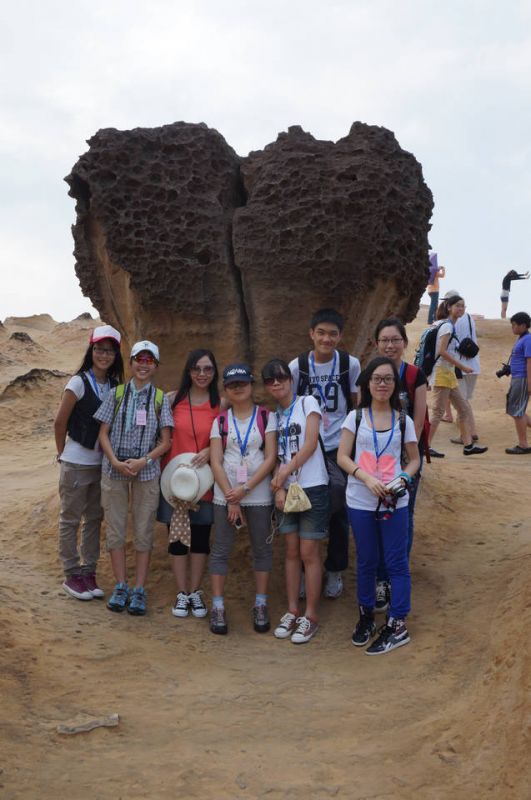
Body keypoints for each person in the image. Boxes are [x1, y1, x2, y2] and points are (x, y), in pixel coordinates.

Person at [337, 357, 420, 655]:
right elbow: (342, 456)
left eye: (388, 379)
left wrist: (402, 478)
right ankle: (366, 617)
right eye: (377, 379)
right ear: (368, 383)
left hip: (394, 501)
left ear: (395, 385)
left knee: (396, 562)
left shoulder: (403, 421)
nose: (382, 384)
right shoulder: (355, 417)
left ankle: (397, 624)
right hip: (361, 498)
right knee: (367, 560)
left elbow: (414, 460)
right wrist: (365, 477)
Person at [94, 340, 173, 616]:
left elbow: (166, 441)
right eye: (139, 359)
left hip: (146, 472)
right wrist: (114, 461)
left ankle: (139, 589)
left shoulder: (160, 399)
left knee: (143, 530)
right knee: (115, 528)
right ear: (130, 363)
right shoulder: (116, 394)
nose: (143, 365)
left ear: (156, 366)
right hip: (114, 470)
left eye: (149, 361)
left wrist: (144, 461)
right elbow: (103, 433)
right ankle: (120, 585)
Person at [289, 308, 360, 599]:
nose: (326, 339)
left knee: (339, 510)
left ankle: (334, 570)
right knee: (303, 506)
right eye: (321, 333)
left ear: (340, 336)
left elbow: (355, 403)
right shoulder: (297, 368)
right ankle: (304, 571)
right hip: (308, 448)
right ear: (311, 334)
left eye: (332, 334)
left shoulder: (349, 364)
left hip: (337, 447)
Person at [263, 358, 330, 645]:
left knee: (308, 552)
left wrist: (284, 474)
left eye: (281, 377)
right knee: (291, 551)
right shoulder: (274, 416)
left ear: (291, 379)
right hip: (286, 489)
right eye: (270, 380)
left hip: (312, 485)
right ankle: (292, 610)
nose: (276, 383)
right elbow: (276, 456)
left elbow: (310, 444)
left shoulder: (307, 403)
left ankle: (310, 615)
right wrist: (278, 487)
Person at [54, 325, 124, 601]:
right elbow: (60, 422)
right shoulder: (78, 382)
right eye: (99, 349)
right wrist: (62, 454)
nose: (104, 355)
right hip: (76, 462)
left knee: (94, 519)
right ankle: (72, 573)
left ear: (116, 355)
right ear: (91, 350)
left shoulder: (115, 386)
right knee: (70, 519)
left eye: (109, 351)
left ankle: (88, 572)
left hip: (101, 465)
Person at [208, 364, 277, 635]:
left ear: (251, 385)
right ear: (226, 389)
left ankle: (261, 603)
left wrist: (244, 489)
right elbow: (216, 461)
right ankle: (217, 606)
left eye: (242, 383)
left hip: (257, 493)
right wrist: (231, 497)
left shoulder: (266, 417)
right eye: (232, 385)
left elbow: (270, 457)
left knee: (262, 548)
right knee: (221, 548)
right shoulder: (220, 421)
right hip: (225, 494)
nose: (238, 388)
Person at [157, 349, 221, 620]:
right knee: (177, 538)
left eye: (208, 369)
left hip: (203, 483)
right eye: (196, 368)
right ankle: (182, 593)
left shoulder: (221, 404)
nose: (202, 374)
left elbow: (229, 437)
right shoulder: (172, 400)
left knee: (201, 539)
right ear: (188, 371)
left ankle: (195, 591)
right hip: (174, 481)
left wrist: (210, 450)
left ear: (214, 372)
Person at [373, 317, 428, 611]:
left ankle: (396, 576)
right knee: (379, 518)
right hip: (376, 462)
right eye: (384, 340)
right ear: (376, 344)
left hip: (406, 462)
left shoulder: (414, 374)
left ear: (405, 343)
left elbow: (418, 419)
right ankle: (381, 579)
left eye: (395, 340)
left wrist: (405, 458)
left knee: (403, 518)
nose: (390, 345)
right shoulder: (372, 374)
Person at [427, 296, 488, 458]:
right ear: (449, 307)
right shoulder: (447, 326)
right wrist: (462, 366)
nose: (460, 309)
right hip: (442, 374)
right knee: (438, 413)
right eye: (457, 306)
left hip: (448, 375)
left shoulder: (447, 325)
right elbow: (441, 351)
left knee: (463, 409)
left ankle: (468, 446)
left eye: (463, 306)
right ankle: (425, 446)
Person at [450, 303, 481, 443]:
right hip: (474, 364)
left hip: (461, 366)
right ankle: (470, 431)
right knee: (465, 400)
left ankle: (468, 433)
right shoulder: (469, 318)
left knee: (462, 402)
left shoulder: (453, 321)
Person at [504, 312, 531, 454]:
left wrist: (530, 383)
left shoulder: (528, 339)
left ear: (523, 325)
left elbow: (530, 362)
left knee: (517, 412)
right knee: (516, 410)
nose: (512, 327)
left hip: (522, 379)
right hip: (518, 378)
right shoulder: (522, 338)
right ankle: (523, 444)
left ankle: (523, 445)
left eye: (514, 325)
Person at [427, 252, 446, 325]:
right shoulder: (435, 272)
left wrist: (438, 269)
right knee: (433, 306)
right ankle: (430, 320)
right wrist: (443, 269)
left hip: (430, 290)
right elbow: (443, 275)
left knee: (435, 305)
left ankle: (435, 319)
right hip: (435, 290)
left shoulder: (429, 271)